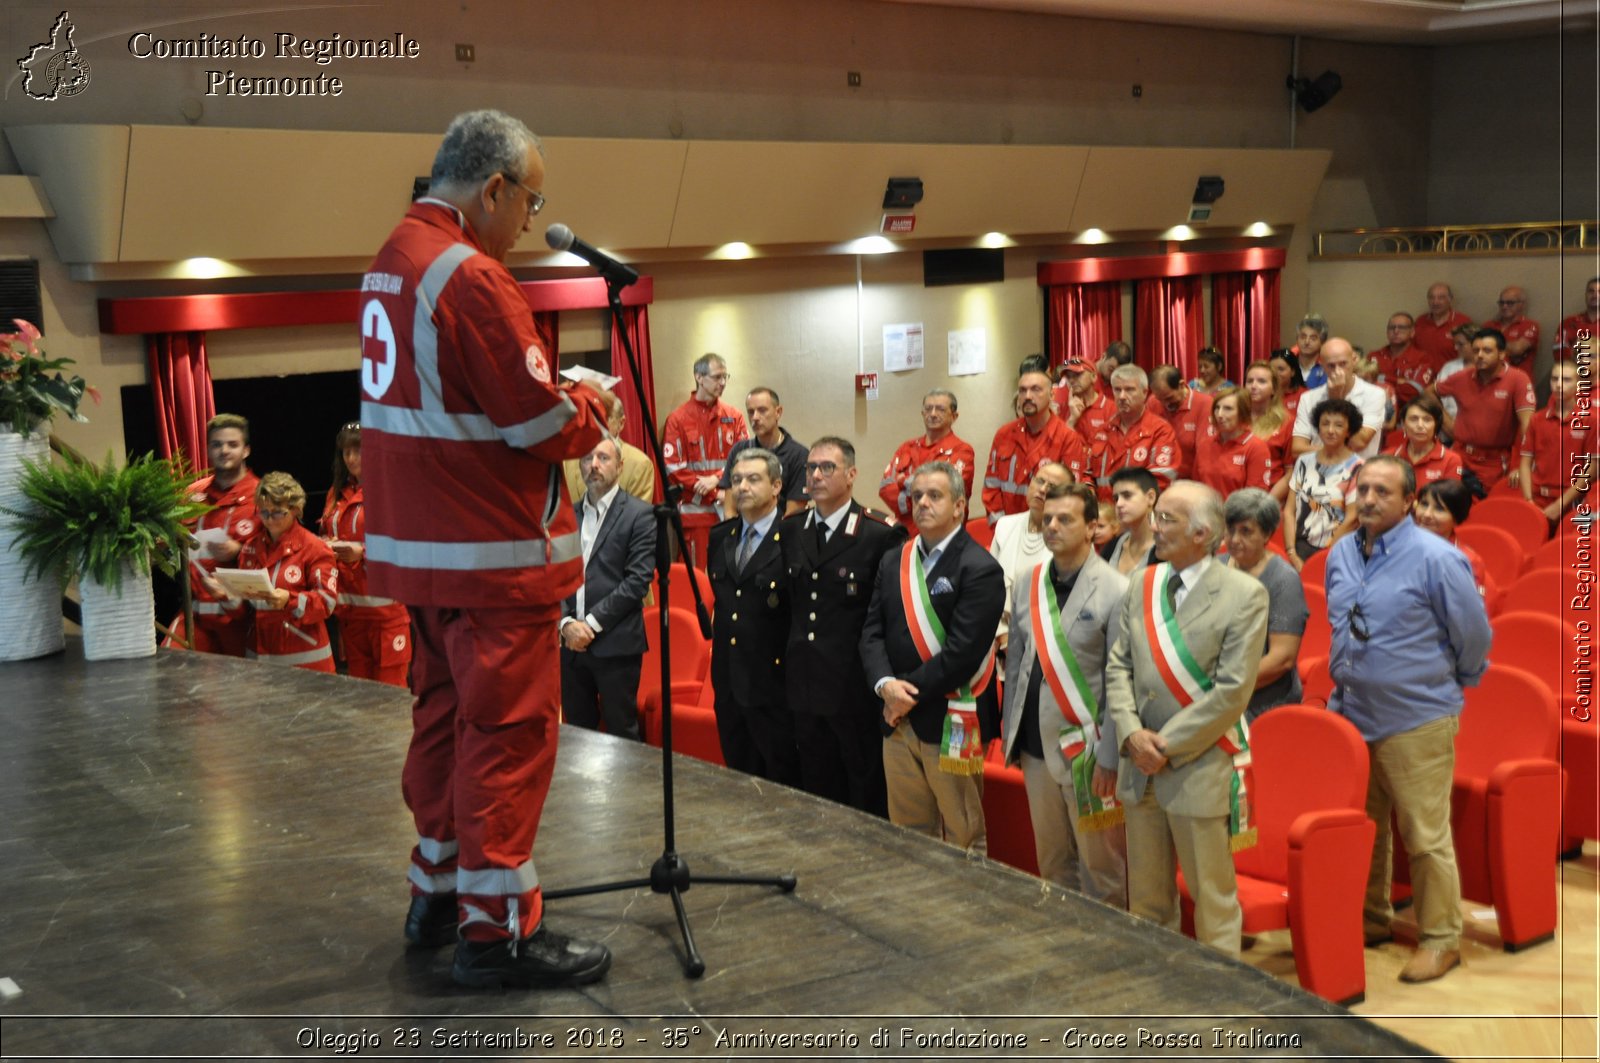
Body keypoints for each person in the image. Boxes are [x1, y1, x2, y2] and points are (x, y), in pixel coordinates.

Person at [360, 110, 611, 988]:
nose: (529, 223)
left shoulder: (392, 258)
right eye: (529, 201)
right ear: (493, 187)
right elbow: (541, 419)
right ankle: (496, 932)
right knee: (506, 738)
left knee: (440, 722)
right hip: (491, 563)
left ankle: (434, 893)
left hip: (423, 558)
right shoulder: (471, 275)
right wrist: (593, 407)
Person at [1325, 456, 1491, 984]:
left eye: (1382, 492)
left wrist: (1441, 684)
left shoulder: (1437, 559)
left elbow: (1474, 637)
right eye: (1363, 489)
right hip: (1351, 714)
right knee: (1366, 828)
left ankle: (1442, 939)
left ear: (1409, 502)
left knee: (1424, 834)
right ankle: (1372, 919)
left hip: (1416, 716)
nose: (1369, 499)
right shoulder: (1341, 554)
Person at [1105, 480, 1269, 956]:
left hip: (1198, 765)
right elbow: (1119, 665)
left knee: (1212, 901)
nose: (1155, 527)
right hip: (1141, 767)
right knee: (1149, 903)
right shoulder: (1144, 582)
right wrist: (1133, 734)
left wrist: (1164, 746)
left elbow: (1233, 691)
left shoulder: (1245, 594)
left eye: (1167, 519)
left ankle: (1220, 1006)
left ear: (1202, 533)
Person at [862, 461, 1005, 853]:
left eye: (935, 496)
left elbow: (961, 654)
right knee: (906, 833)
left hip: (949, 719)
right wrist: (884, 685)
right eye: (917, 495)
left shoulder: (980, 568)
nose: (922, 503)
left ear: (959, 506)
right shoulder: (896, 559)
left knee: (965, 835)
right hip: (897, 721)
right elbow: (871, 631)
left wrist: (902, 697)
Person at [1000, 482, 1129, 904]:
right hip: (1036, 747)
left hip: (1089, 753)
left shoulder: (1116, 590)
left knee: (1101, 870)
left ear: (1092, 527)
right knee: (1052, 863)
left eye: (1065, 519)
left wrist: (1109, 755)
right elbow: (1017, 663)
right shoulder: (1027, 581)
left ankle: (1106, 960)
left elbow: (1119, 683)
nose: (1052, 526)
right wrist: (1011, 735)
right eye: (1048, 518)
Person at [781, 437, 905, 816]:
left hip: (854, 688)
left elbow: (888, 619)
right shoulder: (791, 529)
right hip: (805, 683)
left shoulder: (879, 533)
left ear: (851, 475)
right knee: (817, 788)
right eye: (811, 468)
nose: (815, 475)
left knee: (864, 788)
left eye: (827, 468)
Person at [706, 448, 799, 785]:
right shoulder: (720, 537)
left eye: (753, 479)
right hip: (729, 681)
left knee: (781, 779)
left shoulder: (793, 537)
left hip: (773, 685)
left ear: (776, 486)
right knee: (739, 779)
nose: (742, 486)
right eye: (736, 480)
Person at [560, 438, 656, 741]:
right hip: (570, 646)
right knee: (577, 733)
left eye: (603, 458)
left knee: (621, 734)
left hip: (615, 643)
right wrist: (565, 625)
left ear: (620, 466)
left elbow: (637, 581)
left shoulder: (640, 514)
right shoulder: (566, 515)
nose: (595, 465)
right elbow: (554, 576)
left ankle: (628, 790)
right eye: (588, 458)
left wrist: (588, 625)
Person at [319, 422, 411, 686]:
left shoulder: (393, 489)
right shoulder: (335, 495)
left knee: (389, 699)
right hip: (350, 615)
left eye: (358, 451)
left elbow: (409, 543)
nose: (351, 458)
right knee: (361, 699)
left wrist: (363, 551)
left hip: (386, 614)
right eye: (346, 452)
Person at [227, 471, 338, 673]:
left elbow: (327, 602)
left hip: (306, 662)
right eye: (264, 512)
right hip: (260, 658)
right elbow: (243, 609)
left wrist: (289, 600)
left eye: (278, 512)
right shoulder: (250, 548)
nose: (270, 520)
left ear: (295, 509)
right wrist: (228, 595)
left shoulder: (314, 548)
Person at [1222, 489, 1307, 721]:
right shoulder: (1215, 567)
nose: (1235, 539)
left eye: (1246, 532)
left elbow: (1282, 659)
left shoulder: (1282, 579)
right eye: (1230, 530)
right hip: (1218, 695)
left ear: (1267, 534)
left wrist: (1222, 686)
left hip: (1263, 704)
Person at [179, 413, 260, 657]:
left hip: (241, 619)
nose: (224, 450)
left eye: (232, 444)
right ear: (207, 449)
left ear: (246, 450)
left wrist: (240, 550)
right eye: (216, 444)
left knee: (239, 691)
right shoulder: (192, 493)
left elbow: (282, 550)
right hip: (195, 615)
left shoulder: (262, 496)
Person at [662, 353, 747, 567]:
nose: (723, 383)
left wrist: (716, 480)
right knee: (697, 581)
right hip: (696, 518)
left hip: (731, 515)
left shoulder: (733, 416)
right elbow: (674, 470)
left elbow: (744, 459)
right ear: (699, 377)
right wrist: (715, 494)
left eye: (725, 377)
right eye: (717, 377)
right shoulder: (678, 419)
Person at [1433, 328, 1536, 491]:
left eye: (1487, 350)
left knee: (1485, 510)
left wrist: (1521, 465)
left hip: (1494, 461)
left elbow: (1528, 426)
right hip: (1460, 455)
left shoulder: (1517, 379)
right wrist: (1446, 421)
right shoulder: (1463, 376)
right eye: (1476, 351)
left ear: (1502, 354)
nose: (1479, 355)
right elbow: (1430, 392)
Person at [983, 362, 1087, 522]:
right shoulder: (1003, 434)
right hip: (1006, 528)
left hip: (1048, 532)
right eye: (1023, 390)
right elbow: (991, 487)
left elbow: (1070, 496)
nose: (1028, 396)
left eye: (1036, 389)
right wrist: (1001, 526)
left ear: (1052, 395)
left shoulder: (1067, 438)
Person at [989, 461, 1073, 651]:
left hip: (1048, 646)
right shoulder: (1005, 526)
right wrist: (1003, 638)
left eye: (1052, 487)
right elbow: (988, 590)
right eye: (1039, 481)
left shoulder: (1071, 538)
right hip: (999, 640)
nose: (1042, 489)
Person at [879, 388, 976, 536]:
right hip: (905, 535)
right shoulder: (907, 447)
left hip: (944, 536)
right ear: (922, 414)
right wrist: (917, 494)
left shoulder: (962, 451)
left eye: (940, 409)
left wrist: (903, 484)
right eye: (928, 409)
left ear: (954, 416)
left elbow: (948, 493)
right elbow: (885, 488)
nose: (933, 414)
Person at [1284, 397, 1365, 570]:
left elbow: (1352, 519)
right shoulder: (1304, 461)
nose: (1330, 430)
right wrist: (1291, 552)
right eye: (1325, 423)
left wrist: (1321, 559)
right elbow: (1290, 510)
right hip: (1298, 548)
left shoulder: (1357, 467)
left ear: (1348, 431)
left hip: (1335, 552)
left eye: (1338, 425)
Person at [1090, 365, 1179, 516]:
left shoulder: (1160, 431)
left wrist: (1124, 507)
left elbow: (1160, 480)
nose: (1122, 396)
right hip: (1103, 517)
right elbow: (1088, 473)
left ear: (1145, 393)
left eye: (1129, 389)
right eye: (1117, 390)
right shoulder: (1103, 431)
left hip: (1140, 517)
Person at [1519, 360, 1593, 524]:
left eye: (1566, 380)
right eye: (1554, 379)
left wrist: (1561, 504)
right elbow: (1525, 462)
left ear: (1579, 384)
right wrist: (1528, 500)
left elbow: (1592, 468)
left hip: (1573, 500)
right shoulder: (1537, 419)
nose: (1559, 385)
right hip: (1537, 499)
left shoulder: (1591, 420)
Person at [1291, 338, 1387, 459]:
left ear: (1354, 360)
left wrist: (1337, 400)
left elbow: (1358, 443)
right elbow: (1297, 450)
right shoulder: (1308, 398)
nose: (1338, 371)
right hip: (1317, 470)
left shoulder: (1375, 394)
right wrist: (1332, 450)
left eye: (1343, 364)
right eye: (1331, 366)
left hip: (1357, 473)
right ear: (1322, 365)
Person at [720, 386, 808, 517]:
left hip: (781, 532)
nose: (755, 417)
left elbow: (793, 514)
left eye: (762, 410)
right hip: (743, 532)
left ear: (778, 412)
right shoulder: (739, 450)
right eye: (750, 412)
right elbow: (729, 509)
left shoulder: (798, 455)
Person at [561, 389, 656, 505]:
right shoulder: (568, 460)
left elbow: (637, 518)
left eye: (604, 418)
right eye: (592, 417)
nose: (596, 423)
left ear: (621, 423)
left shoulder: (639, 464)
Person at [1414, 478, 1493, 600]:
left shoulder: (1466, 562)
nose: (1427, 514)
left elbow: (1466, 613)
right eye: (1424, 504)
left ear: (1457, 518)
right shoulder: (1396, 547)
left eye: (1439, 509)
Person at [1193, 386, 1271, 499]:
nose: (1219, 414)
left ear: (1242, 412)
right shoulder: (1205, 444)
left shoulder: (1256, 447)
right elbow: (1196, 486)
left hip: (1238, 514)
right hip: (1206, 513)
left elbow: (1254, 499)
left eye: (1228, 409)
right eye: (1217, 408)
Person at [1147, 365, 1214, 481]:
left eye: (1169, 398)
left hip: (1192, 481)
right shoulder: (1153, 402)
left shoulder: (1205, 404)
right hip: (1160, 479)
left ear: (1181, 385)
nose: (1165, 404)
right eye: (1160, 399)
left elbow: (1205, 453)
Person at [1388, 396, 1468, 488]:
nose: (1420, 425)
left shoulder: (1451, 460)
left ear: (1436, 425)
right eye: (1414, 419)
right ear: (1403, 424)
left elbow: (1448, 499)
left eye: (1427, 420)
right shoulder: (1389, 456)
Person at [1242, 360, 1294, 500]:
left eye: (1261, 381)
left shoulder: (1286, 422)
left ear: (1273, 389)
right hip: (1236, 495)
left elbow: (1291, 472)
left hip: (1269, 496)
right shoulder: (1235, 418)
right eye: (1249, 381)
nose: (1253, 386)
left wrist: (1267, 502)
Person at [1102, 466, 1161, 576]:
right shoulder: (1112, 545)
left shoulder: (1165, 551)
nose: (1119, 504)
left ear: (1151, 497)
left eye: (1127, 496)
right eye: (1116, 498)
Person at [1374, 312, 1436, 409]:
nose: (1396, 331)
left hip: (1408, 413)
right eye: (1392, 327)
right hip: (1376, 411)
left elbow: (1415, 391)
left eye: (1402, 327)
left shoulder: (1423, 359)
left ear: (1412, 332)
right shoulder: (1374, 356)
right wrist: (1400, 381)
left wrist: (1381, 378)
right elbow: (1364, 385)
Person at [1055, 353, 1118, 442]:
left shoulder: (1111, 408)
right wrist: (1071, 421)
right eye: (1068, 377)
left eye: (1077, 375)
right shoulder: (1063, 409)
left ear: (1093, 377)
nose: (1072, 380)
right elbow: (1057, 447)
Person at [1414, 283, 1473, 367]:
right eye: (1431, 297)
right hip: (1423, 376)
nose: (1435, 302)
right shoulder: (1420, 321)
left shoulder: (1463, 322)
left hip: (1452, 376)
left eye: (1441, 298)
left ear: (1450, 299)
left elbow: (1470, 354)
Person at [1434, 322, 1478, 432]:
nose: (1456, 348)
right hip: (1448, 424)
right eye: (1455, 344)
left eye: (1460, 344)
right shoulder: (1450, 367)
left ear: (1475, 343)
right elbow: (1435, 395)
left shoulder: (1488, 368)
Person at [1482, 286, 1539, 369]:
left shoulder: (1530, 325)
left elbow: (1517, 349)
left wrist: (1489, 345)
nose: (1504, 306)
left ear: (1522, 304)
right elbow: (1477, 348)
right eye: (1501, 303)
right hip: (1490, 376)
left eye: (1510, 303)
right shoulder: (1488, 325)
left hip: (1519, 377)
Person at [1553, 276, 1599, 362]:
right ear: (1586, 295)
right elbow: (1558, 350)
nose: (1595, 295)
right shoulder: (1569, 322)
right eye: (1591, 291)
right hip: (1573, 371)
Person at [1295, 314, 1330, 390]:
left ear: (1322, 342)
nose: (1307, 342)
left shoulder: (1328, 367)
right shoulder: (1289, 365)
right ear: (1297, 340)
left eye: (1313, 338)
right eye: (1303, 337)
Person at [1267, 349, 1306, 416]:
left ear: (1293, 372)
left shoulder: (1305, 395)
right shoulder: (1264, 393)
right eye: (1271, 369)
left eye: (1281, 369)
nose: (1275, 373)